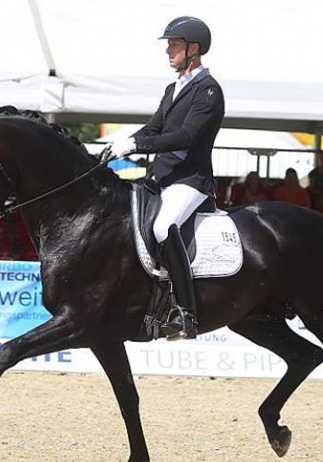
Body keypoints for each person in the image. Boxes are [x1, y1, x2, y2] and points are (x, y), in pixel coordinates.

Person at [101, 16, 224, 340]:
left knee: (161, 226)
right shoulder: (174, 88)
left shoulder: (208, 91)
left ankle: (186, 313)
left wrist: (140, 144)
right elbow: (155, 128)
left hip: (190, 180)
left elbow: (186, 137)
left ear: (193, 49)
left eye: (174, 44)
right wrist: (122, 146)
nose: (168, 50)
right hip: (162, 177)